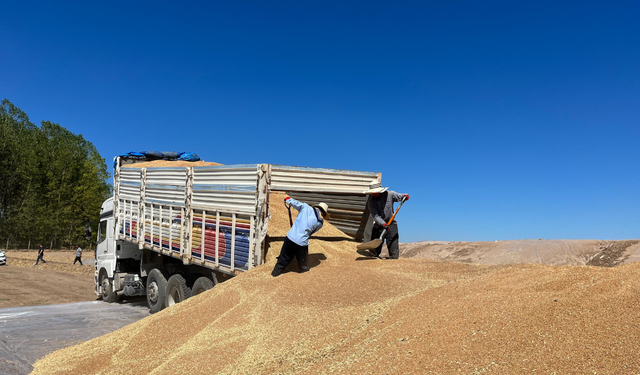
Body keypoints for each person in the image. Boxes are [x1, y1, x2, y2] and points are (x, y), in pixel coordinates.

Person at [271, 196, 329, 277]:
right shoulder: (320, 223)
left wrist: (288, 200)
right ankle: (303, 270)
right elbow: (310, 233)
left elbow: (295, 203)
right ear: (323, 213)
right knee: (303, 261)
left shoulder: (305, 207)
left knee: (283, 258)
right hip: (301, 243)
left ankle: (275, 273)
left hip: (289, 237)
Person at [363, 179, 409, 259]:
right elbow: (376, 216)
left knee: (393, 247)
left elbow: (401, 196)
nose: (374, 194)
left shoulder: (390, 194)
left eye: (375, 192)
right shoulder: (371, 202)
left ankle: (393, 262)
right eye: (372, 193)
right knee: (374, 251)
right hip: (379, 225)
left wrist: (405, 196)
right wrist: (383, 224)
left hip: (391, 224)